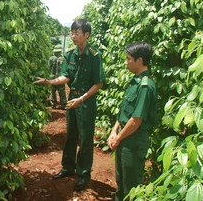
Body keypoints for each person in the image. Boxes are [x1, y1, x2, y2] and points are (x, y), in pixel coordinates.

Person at [34, 19, 106, 192]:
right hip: (72, 101)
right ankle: (68, 167)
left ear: (86, 35)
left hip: (86, 101)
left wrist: (81, 99)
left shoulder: (94, 56)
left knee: (86, 138)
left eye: (76, 33)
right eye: (71, 32)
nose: (73, 36)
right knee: (71, 135)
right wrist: (50, 82)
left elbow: (99, 83)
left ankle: (83, 174)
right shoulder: (70, 55)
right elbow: (66, 76)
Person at [107, 42, 157, 201]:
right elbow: (124, 112)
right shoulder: (134, 82)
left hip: (133, 141)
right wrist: (113, 132)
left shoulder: (145, 86)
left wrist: (118, 137)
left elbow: (136, 120)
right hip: (124, 137)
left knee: (132, 187)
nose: (126, 62)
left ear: (140, 60)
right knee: (121, 182)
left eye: (129, 59)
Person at [49, 44, 67, 109]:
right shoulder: (63, 59)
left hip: (53, 77)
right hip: (60, 78)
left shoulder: (51, 58)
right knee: (62, 92)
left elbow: (50, 67)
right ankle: (63, 105)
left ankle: (53, 104)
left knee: (53, 91)